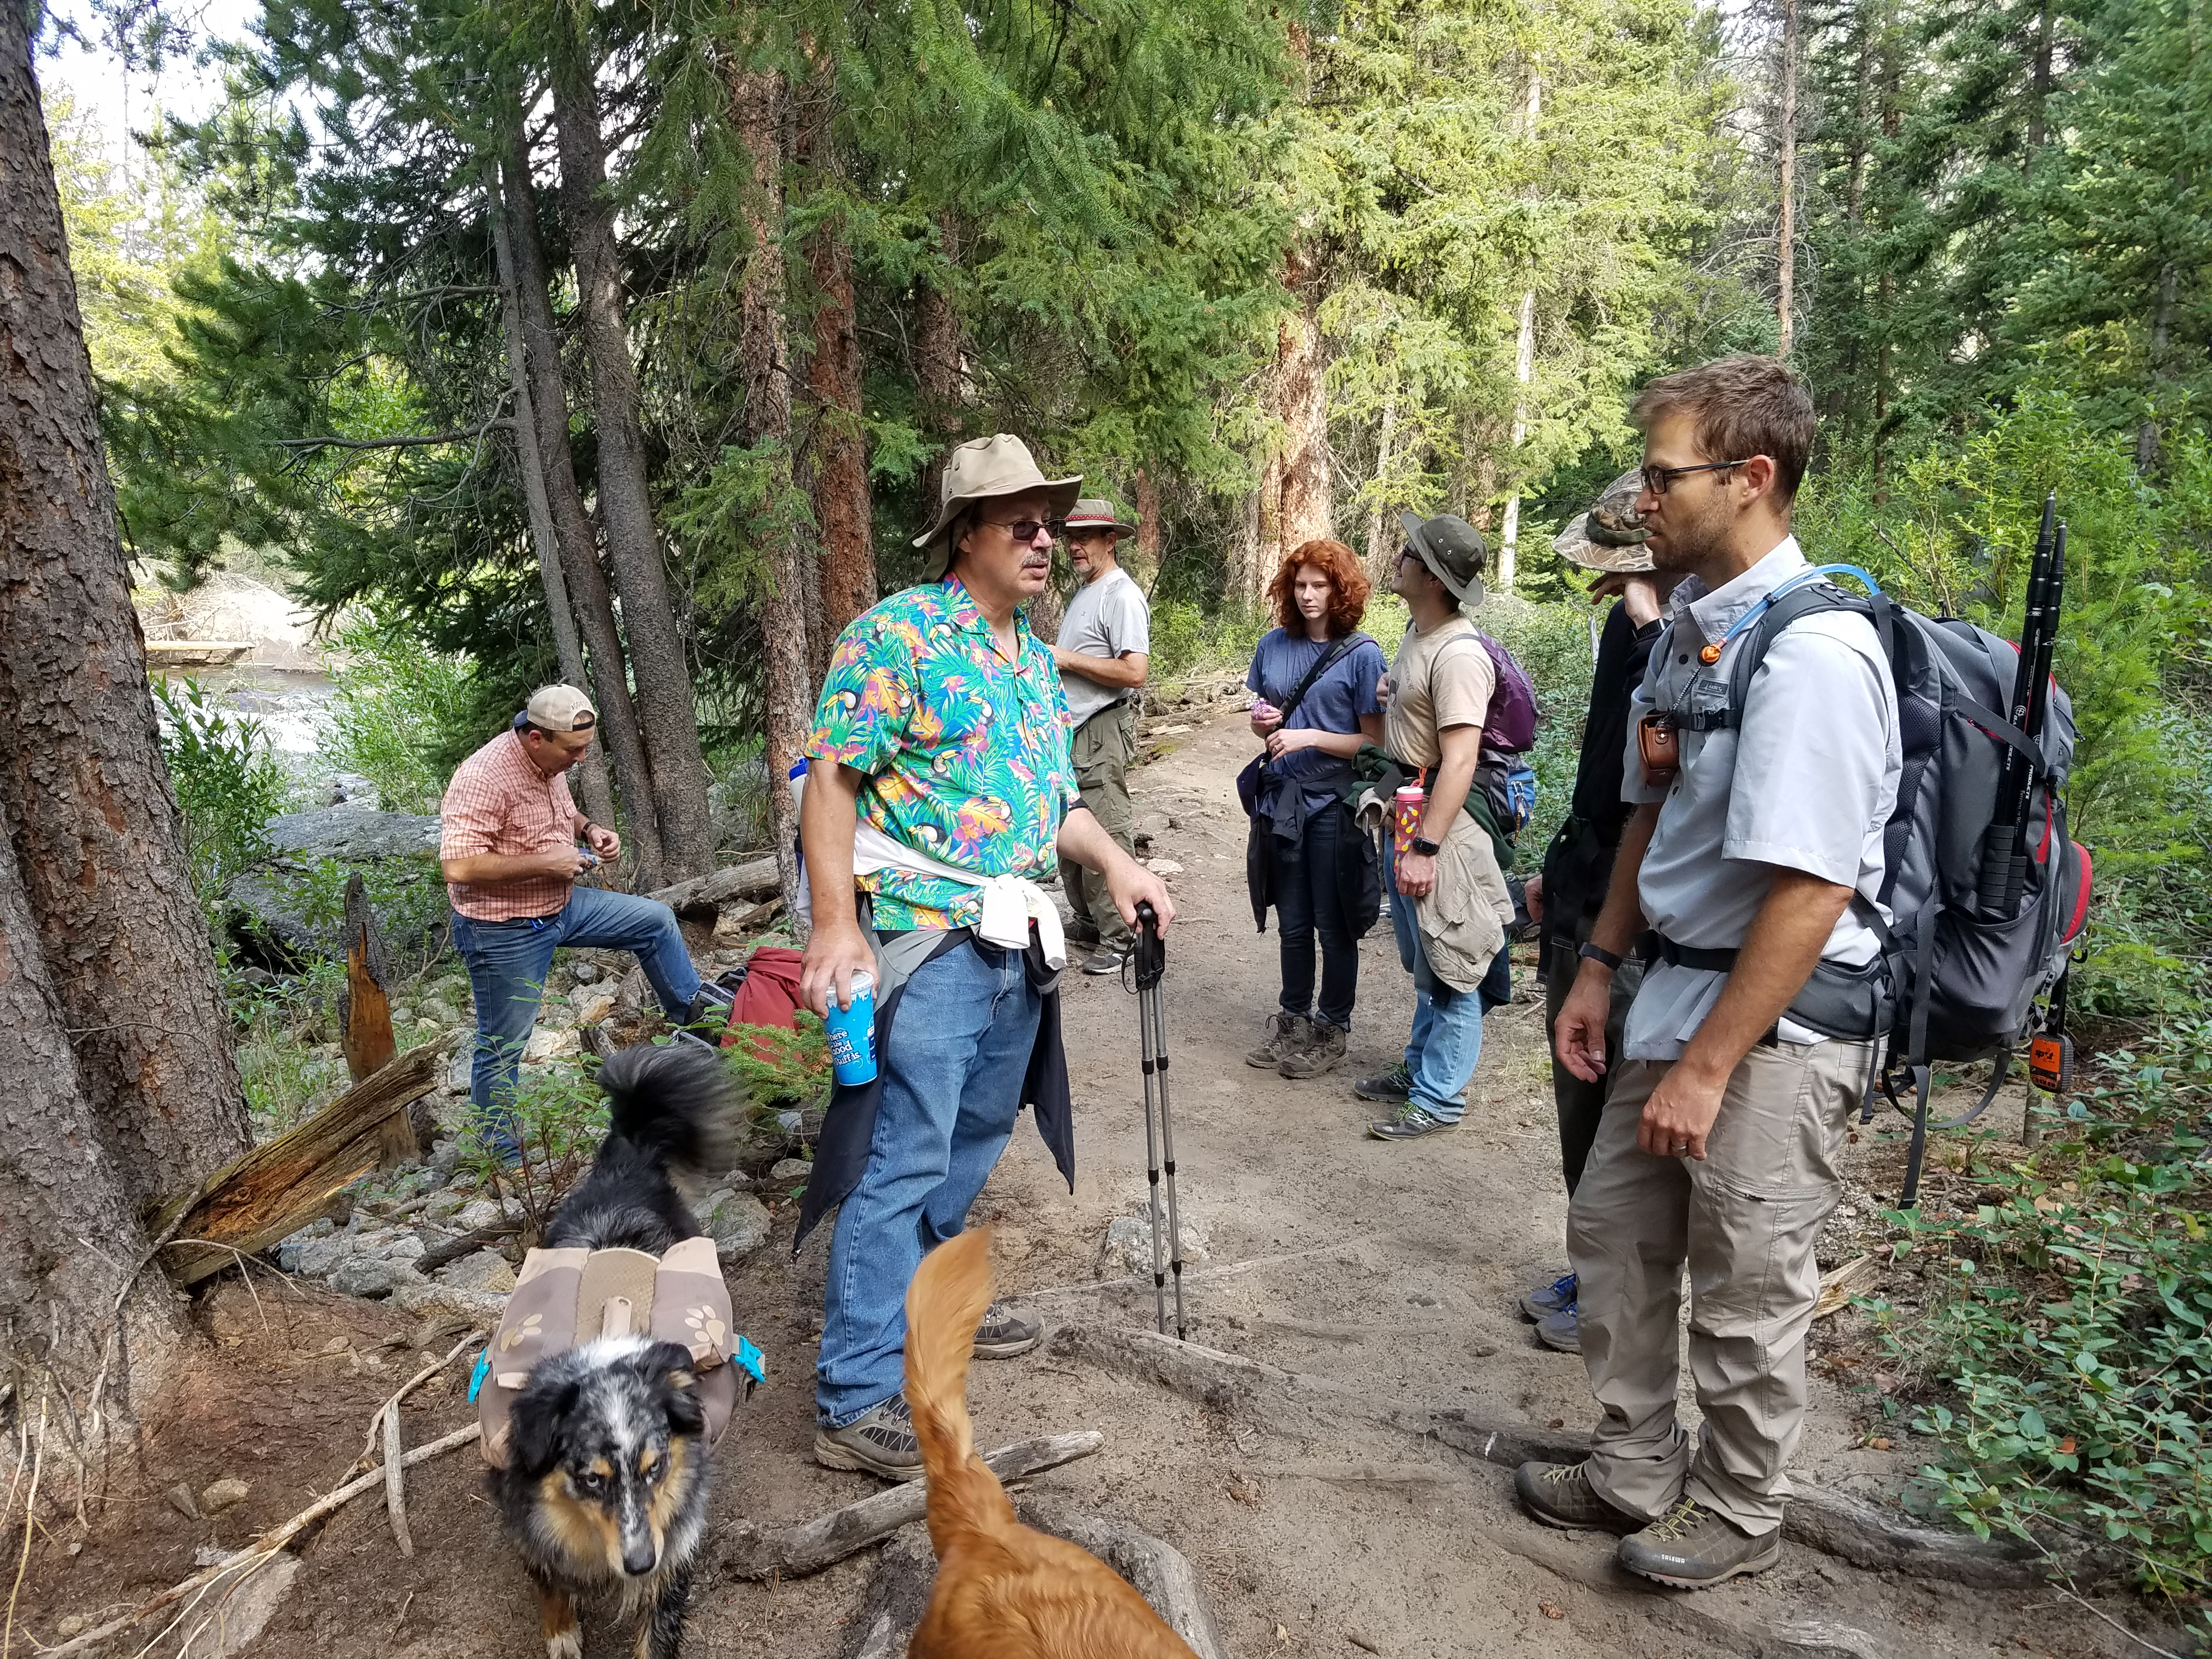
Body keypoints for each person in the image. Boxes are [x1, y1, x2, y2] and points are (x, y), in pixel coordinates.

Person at [1515, 357, 1900, 1589]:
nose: (1641, 499)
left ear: (1752, 481)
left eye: (1663, 473)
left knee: (1746, 1285)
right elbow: (1650, 823)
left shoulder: (1818, 658)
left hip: (1772, 1031)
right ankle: (1634, 1465)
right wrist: (1596, 972)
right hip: (1665, 993)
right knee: (1617, 1239)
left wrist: (1709, 1065)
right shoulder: (1691, 634)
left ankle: (1739, 1509)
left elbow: (1812, 890)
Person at [795, 433, 1175, 1479]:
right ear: (966, 534)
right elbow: (830, 782)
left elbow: (1055, 802)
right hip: (927, 934)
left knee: (970, 1135)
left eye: (1049, 520)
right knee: (903, 1150)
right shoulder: (897, 635)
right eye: (1021, 519)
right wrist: (835, 925)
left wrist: (1121, 871)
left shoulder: (1030, 657)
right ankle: (854, 1394)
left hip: (1018, 935)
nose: (1043, 536)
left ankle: (932, 1303)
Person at [1516, 470, 1669, 1355]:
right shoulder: (1626, 627)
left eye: (1616, 566)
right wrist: (1557, 865)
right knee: (1579, 1107)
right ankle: (1591, 1266)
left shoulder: (1688, 636)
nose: (1601, 581)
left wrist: (1653, 622)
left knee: (1618, 1117)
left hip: (1639, 922)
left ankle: (1617, 1286)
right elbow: (1604, 771)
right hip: (1586, 888)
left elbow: (1666, 790)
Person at [439, 686, 703, 1154]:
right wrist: (546, 862)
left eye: (586, 748)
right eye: (574, 750)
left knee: (656, 920)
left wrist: (590, 830)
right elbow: (458, 866)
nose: (581, 759)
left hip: (560, 905)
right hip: (503, 928)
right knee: (505, 1043)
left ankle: (703, 1029)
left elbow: (561, 809)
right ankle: (502, 1158)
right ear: (537, 738)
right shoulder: (483, 776)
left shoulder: (548, 761)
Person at [1357, 512, 1515, 1141]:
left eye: (1409, 553)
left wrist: (1426, 846)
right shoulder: (1420, 635)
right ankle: (1420, 1070)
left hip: (1440, 827)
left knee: (1453, 962)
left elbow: (1461, 759)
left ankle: (1440, 1097)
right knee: (1425, 958)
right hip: (1410, 810)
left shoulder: (1459, 653)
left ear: (1432, 576)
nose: (1398, 558)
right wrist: (1393, 689)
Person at [1242, 538, 1388, 1079]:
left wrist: (1308, 737)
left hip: (1335, 803)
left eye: (1319, 586)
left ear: (1339, 589)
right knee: (1294, 922)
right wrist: (1264, 725)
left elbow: (1372, 745)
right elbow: (1263, 714)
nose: (1308, 596)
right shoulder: (1273, 646)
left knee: (1335, 923)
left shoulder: (1364, 654)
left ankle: (1333, 1027)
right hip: (1283, 801)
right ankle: (1294, 1018)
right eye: (1300, 585)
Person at [1050, 498, 1151, 975]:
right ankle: (1091, 920)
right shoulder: (1089, 590)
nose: (1075, 547)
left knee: (1105, 826)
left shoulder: (1121, 594)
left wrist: (1066, 660)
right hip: (1074, 731)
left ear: (1111, 541)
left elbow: (1135, 671)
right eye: (1071, 538)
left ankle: (1122, 935)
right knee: (1068, 826)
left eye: (1085, 538)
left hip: (1101, 729)